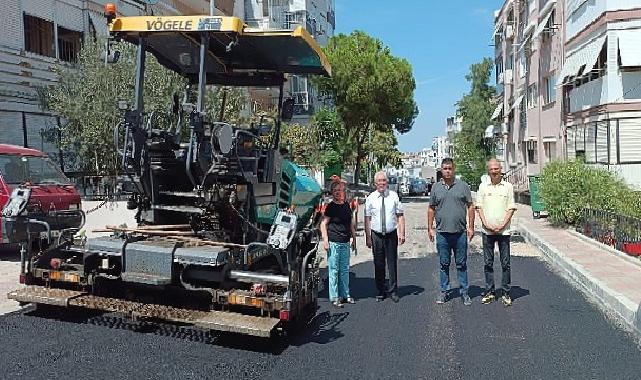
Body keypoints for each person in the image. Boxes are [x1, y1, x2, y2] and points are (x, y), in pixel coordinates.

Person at [427, 158, 474, 306]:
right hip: (442, 233)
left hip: (460, 233)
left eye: (450, 168)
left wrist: (471, 227)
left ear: (454, 169)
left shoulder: (463, 186)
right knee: (444, 264)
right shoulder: (435, 188)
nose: (447, 171)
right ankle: (444, 291)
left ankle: (464, 292)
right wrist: (429, 228)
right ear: (441, 170)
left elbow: (471, 206)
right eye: (445, 169)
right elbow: (431, 208)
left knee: (461, 264)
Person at [476, 158, 517, 306]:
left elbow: (511, 207)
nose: (494, 171)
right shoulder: (483, 187)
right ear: (488, 170)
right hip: (487, 232)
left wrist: (502, 225)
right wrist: (486, 224)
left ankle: (506, 293)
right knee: (488, 263)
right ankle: (490, 292)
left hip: (503, 231)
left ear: (501, 169)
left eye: (497, 169)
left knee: (505, 263)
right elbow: (479, 207)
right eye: (492, 169)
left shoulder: (508, 187)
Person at [365, 171, 406, 303]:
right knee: (378, 263)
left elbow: (400, 216)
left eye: (384, 180)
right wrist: (368, 237)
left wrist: (402, 233)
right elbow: (367, 219)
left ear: (387, 182)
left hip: (391, 234)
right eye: (379, 181)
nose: (382, 183)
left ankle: (393, 291)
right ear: (375, 183)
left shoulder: (394, 196)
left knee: (392, 263)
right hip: (376, 235)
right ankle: (380, 291)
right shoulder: (370, 198)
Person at [320, 180, 357, 308]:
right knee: (334, 270)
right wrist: (325, 240)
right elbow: (323, 224)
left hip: (345, 242)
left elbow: (351, 224)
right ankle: (335, 297)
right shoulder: (331, 207)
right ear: (332, 193)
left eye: (340, 190)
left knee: (345, 270)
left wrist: (354, 240)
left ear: (344, 192)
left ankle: (345, 294)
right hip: (334, 243)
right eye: (335, 190)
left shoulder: (347, 205)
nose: (338, 192)